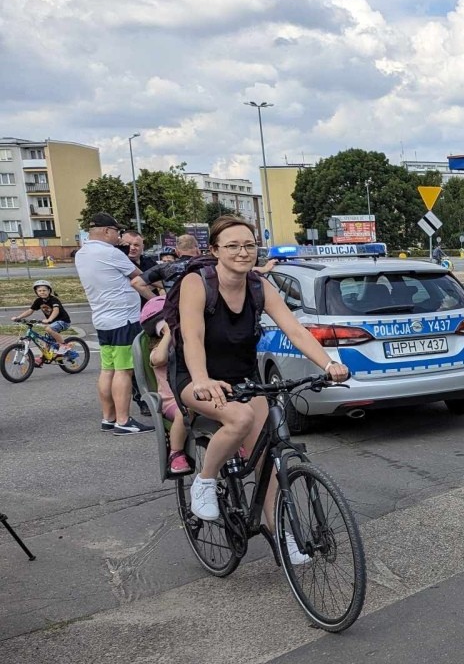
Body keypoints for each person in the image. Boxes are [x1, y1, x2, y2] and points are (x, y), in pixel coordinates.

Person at [173, 216, 350, 563]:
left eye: (249, 245)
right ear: (215, 251)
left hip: (243, 377)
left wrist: (328, 364)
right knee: (237, 419)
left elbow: (295, 331)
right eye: (233, 246)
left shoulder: (258, 286)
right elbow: (191, 336)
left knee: (268, 461)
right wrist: (202, 379)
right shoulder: (197, 283)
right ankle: (205, 481)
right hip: (197, 376)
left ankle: (283, 537)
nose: (243, 252)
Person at [74, 212, 156, 435]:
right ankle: (123, 421)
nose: (119, 237)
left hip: (102, 319)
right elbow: (141, 277)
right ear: (107, 231)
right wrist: (160, 297)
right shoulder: (111, 253)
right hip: (124, 320)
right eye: (117, 232)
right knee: (124, 370)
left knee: (107, 370)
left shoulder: (82, 254)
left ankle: (108, 418)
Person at [140, 296, 192, 475]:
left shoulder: (187, 342)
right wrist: (169, 332)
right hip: (171, 400)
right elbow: (159, 359)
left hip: (194, 393)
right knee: (184, 411)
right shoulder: (156, 350)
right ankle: (176, 452)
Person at [10, 279, 72, 353]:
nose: (42, 292)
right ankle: (42, 357)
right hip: (53, 323)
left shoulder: (54, 300)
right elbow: (30, 311)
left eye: (44, 290)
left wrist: (49, 319)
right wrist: (18, 317)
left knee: (48, 329)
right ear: (36, 292)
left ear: (49, 291)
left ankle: (64, 346)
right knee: (46, 340)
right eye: (39, 291)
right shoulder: (38, 301)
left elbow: (56, 310)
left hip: (63, 321)